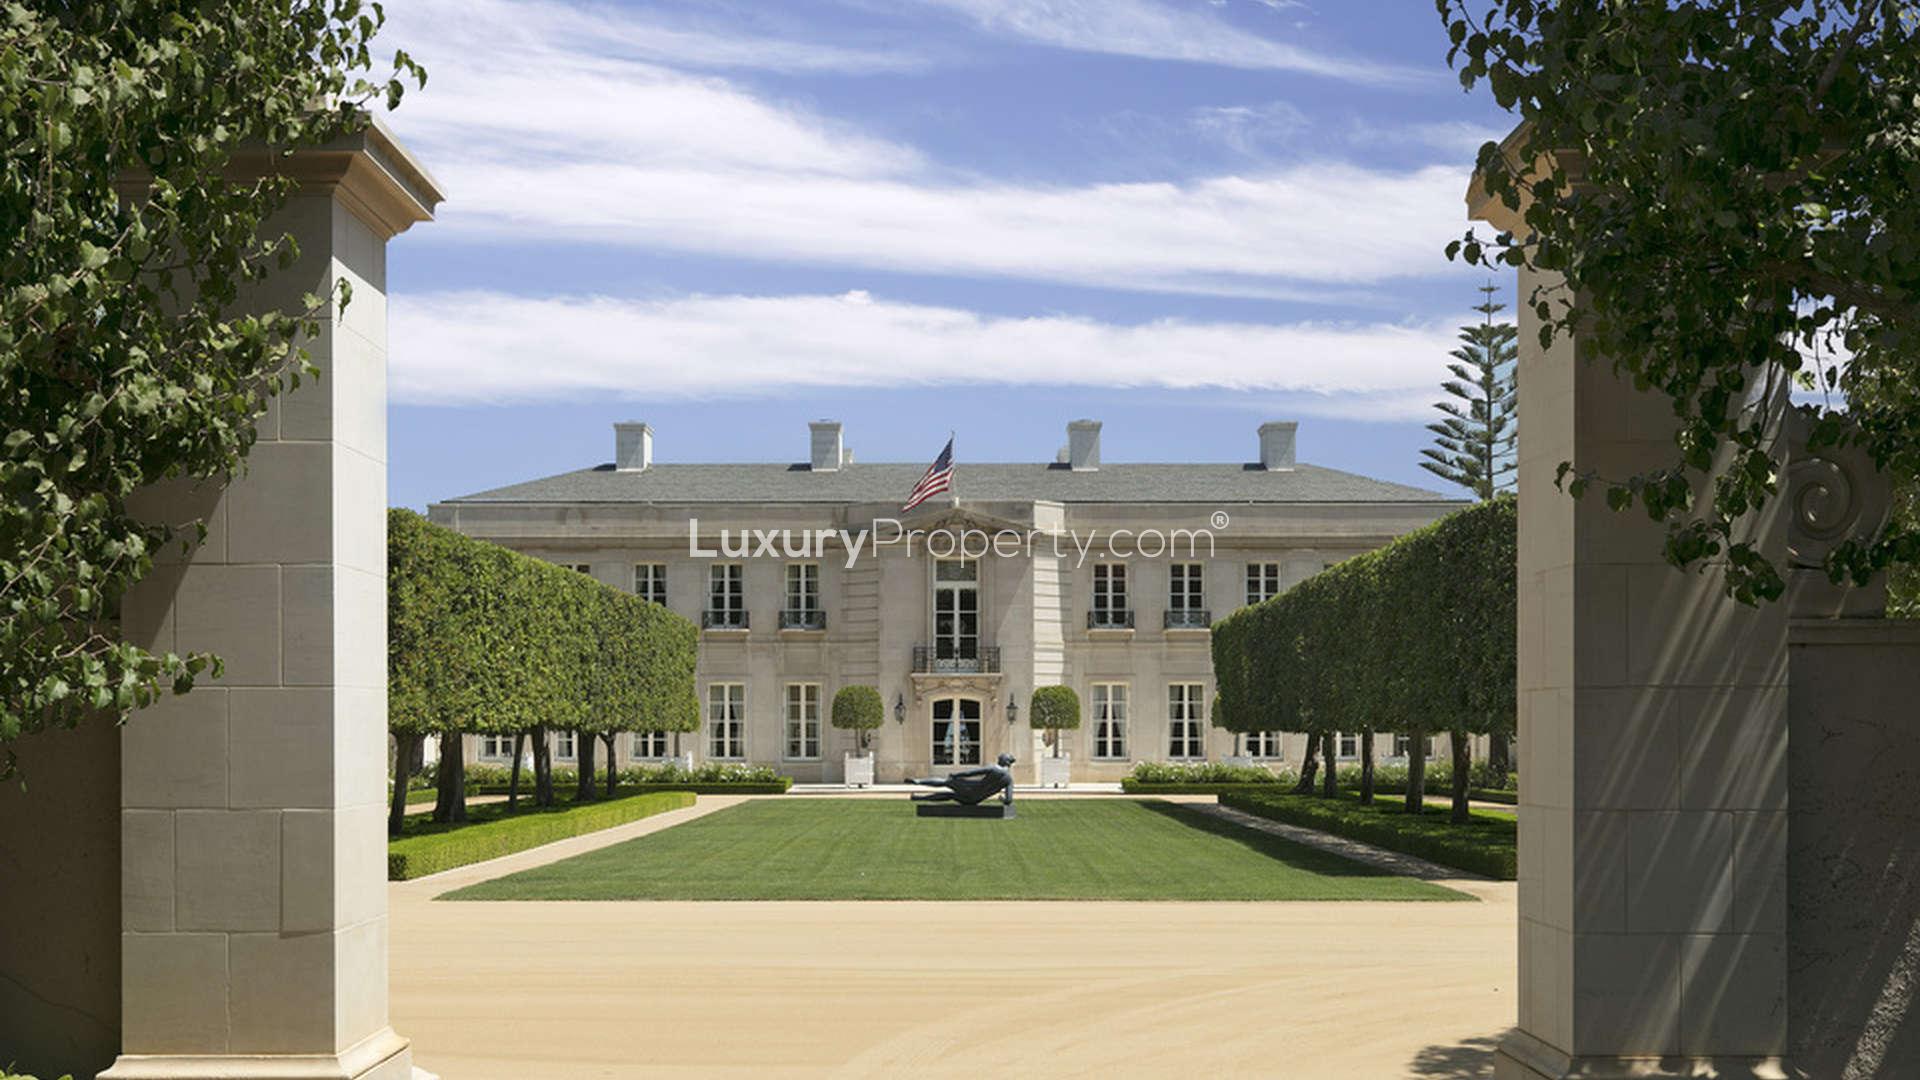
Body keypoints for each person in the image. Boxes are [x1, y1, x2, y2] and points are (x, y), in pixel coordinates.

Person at [906, 752, 1016, 806]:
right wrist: (1001, 799)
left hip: (969, 790)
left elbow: (970, 773)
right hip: (974, 800)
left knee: (947, 782)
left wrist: (956, 775)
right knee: (951, 795)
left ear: (1002, 761)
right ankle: (919, 798)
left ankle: (918, 782)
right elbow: (1009, 800)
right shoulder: (1009, 780)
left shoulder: (994, 768)